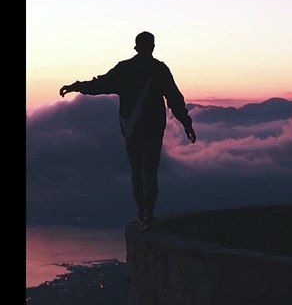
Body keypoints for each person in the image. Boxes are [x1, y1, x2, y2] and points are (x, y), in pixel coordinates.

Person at [60, 31, 197, 229]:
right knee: (150, 172)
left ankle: (142, 213)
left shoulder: (125, 69)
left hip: (131, 129)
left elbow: (100, 85)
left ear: (136, 47)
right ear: (152, 47)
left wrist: (76, 86)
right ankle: (149, 214)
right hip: (153, 128)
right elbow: (174, 98)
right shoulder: (159, 69)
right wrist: (186, 123)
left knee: (137, 172)